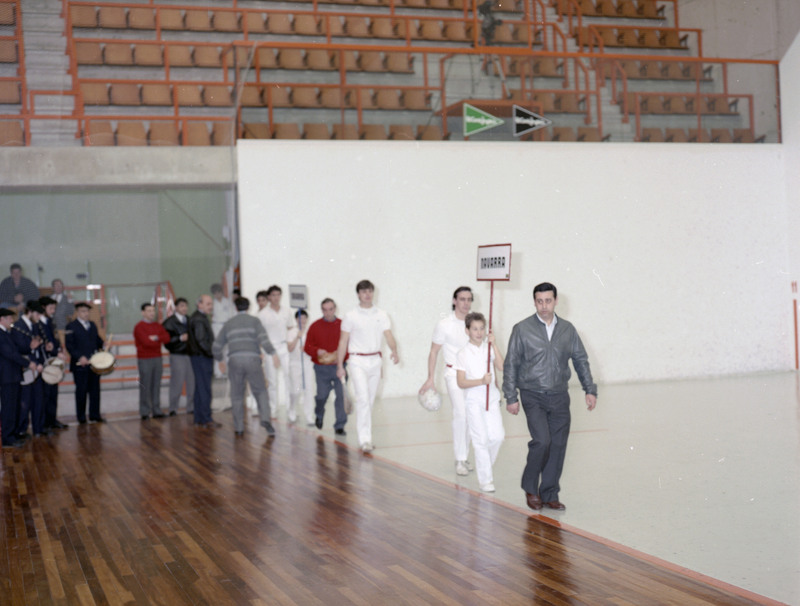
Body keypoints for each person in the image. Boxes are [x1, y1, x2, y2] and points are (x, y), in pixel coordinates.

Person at [502, 282, 597, 512]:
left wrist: (589, 389)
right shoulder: (522, 329)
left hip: (559, 395)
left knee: (558, 445)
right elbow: (511, 364)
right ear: (534, 302)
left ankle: (550, 493)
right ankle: (530, 488)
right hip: (532, 394)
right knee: (542, 441)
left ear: (556, 301)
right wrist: (511, 396)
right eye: (539, 301)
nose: (544, 306)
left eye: (548, 301)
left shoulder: (567, 330)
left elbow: (580, 360)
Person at [336, 280, 399, 453]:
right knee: (363, 399)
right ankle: (365, 440)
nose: (367, 294)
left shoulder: (382, 314)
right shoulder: (350, 316)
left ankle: (366, 436)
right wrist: (340, 365)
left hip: (375, 360)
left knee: (369, 400)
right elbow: (343, 341)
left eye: (370, 291)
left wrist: (394, 350)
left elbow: (388, 335)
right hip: (357, 361)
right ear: (358, 294)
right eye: (364, 291)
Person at [419, 286, 475, 476]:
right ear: (454, 301)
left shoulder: (475, 322)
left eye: (469, 299)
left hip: (474, 376)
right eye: (462, 299)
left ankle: (464, 456)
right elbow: (434, 352)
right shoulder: (444, 324)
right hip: (453, 374)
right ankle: (460, 459)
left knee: (471, 416)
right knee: (461, 414)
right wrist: (430, 378)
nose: (466, 303)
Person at [212, 297, 277, 437]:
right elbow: (264, 339)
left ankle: (239, 428)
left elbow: (216, 346)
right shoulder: (255, 321)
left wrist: (220, 360)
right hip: (253, 359)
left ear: (236, 308)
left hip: (235, 360)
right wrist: (273, 353)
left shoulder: (229, 323)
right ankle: (265, 419)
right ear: (248, 307)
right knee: (260, 391)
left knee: (236, 395)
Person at [455, 312, 506, 493]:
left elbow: (501, 366)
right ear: (467, 331)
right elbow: (461, 382)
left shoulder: (489, 348)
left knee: (498, 436)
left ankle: (484, 466)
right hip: (473, 401)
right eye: (475, 329)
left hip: (491, 399)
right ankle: (486, 481)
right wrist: (481, 381)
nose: (479, 332)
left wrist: (495, 343)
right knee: (481, 440)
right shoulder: (462, 354)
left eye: (481, 328)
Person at [305, 298, 348, 435]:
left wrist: (340, 357)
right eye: (325, 310)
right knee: (322, 396)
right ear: (321, 310)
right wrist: (317, 351)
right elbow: (307, 347)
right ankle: (319, 413)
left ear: (335, 309)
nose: (328, 313)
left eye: (330, 309)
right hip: (321, 369)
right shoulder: (315, 326)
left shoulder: (343, 325)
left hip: (339, 367)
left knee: (341, 396)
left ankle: (340, 425)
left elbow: (350, 345)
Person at [0, 308, 40, 448]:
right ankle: (7, 438)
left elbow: (17, 350)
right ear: (2, 319)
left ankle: (14, 433)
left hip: (14, 375)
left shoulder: (7, 333)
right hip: (6, 377)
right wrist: (28, 363)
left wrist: (30, 348)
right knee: (8, 408)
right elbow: (10, 354)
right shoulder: (1, 334)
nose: (12, 321)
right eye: (10, 319)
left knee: (14, 407)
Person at [65, 302, 107, 424]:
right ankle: (81, 417)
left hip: (94, 364)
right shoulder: (71, 326)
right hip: (80, 365)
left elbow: (97, 340)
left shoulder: (92, 325)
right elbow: (69, 345)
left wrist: (103, 344)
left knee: (95, 391)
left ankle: (95, 415)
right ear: (77, 312)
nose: (86, 314)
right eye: (83, 311)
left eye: (87, 311)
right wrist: (79, 357)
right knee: (81, 391)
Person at [257, 285, 294, 419]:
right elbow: (259, 335)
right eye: (273, 295)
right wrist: (261, 351)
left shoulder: (287, 311)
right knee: (272, 381)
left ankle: (291, 409)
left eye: (278, 295)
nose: (276, 298)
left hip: (284, 347)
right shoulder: (262, 314)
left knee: (289, 378)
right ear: (269, 297)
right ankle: (273, 408)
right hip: (269, 349)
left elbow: (290, 329)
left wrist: (291, 344)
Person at [12, 301, 48, 439]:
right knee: (24, 402)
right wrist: (31, 348)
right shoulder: (18, 326)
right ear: (30, 312)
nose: (39, 318)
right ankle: (21, 430)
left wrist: (40, 360)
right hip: (26, 369)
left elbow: (37, 347)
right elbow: (18, 349)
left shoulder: (34, 325)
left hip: (37, 367)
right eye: (37, 314)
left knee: (38, 400)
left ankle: (38, 428)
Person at [133, 303, 171, 420]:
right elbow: (146, 342)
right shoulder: (139, 327)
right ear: (143, 312)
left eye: (153, 311)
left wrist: (156, 338)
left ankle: (156, 410)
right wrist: (157, 339)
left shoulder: (157, 326)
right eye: (149, 311)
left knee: (156, 384)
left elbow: (167, 338)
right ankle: (144, 411)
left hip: (157, 358)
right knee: (145, 385)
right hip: (144, 359)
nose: (152, 313)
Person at [187, 294, 217, 428]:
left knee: (200, 388)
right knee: (204, 389)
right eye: (208, 304)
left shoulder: (198, 317)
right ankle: (206, 419)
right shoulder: (199, 319)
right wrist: (211, 353)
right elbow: (201, 341)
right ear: (200, 304)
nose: (211, 306)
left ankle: (199, 418)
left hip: (198, 357)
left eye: (211, 304)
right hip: (202, 357)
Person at [39, 296, 69, 430]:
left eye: (54, 308)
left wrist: (60, 350)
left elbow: (54, 340)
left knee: (53, 393)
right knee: (45, 395)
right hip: (44, 363)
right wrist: (55, 352)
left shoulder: (50, 322)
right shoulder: (38, 324)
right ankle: (45, 423)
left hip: (53, 362)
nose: (53, 311)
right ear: (43, 308)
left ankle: (52, 420)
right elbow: (45, 345)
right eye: (50, 308)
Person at [162, 297, 194, 416]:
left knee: (192, 382)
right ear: (176, 307)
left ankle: (191, 407)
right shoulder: (169, 322)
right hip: (177, 355)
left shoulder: (190, 320)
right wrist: (179, 338)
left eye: (186, 306)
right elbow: (166, 341)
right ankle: (173, 408)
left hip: (190, 354)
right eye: (182, 306)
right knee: (177, 382)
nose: (184, 308)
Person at [287, 309, 316, 426]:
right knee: (296, 390)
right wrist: (297, 337)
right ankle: (292, 409)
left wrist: (307, 349)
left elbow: (314, 348)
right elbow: (289, 348)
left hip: (308, 364)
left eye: (304, 318)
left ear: (307, 319)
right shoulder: (291, 332)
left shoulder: (311, 331)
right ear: (296, 319)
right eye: (300, 318)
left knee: (309, 390)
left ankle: (309, 416)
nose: (302, 320)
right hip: (295, 364)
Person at [210, 283, 235, 379]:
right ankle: (218, 372)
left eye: (219, 292)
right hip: (216, 326)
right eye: (215, 293)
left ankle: (228, 371)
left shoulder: (228, 302)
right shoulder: (212, 303)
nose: (217, 295)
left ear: (221, 292)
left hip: (227, 325)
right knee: (218, 349)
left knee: (228, 349)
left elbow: (232, 314)